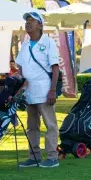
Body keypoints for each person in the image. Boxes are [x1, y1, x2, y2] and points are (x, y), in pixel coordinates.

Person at [15, 11, 60, 168]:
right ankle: (34, 156)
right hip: (29, 93)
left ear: (40, 25)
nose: (28, 23)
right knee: (32, 127)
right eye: (27, 20)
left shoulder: (49, 43)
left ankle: (53, 157)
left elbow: (55, 68)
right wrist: (20, 83)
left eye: (32, 20)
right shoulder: (25, 44)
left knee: (50, 125)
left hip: (45, 91)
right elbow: (20, 66)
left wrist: (53, 90)